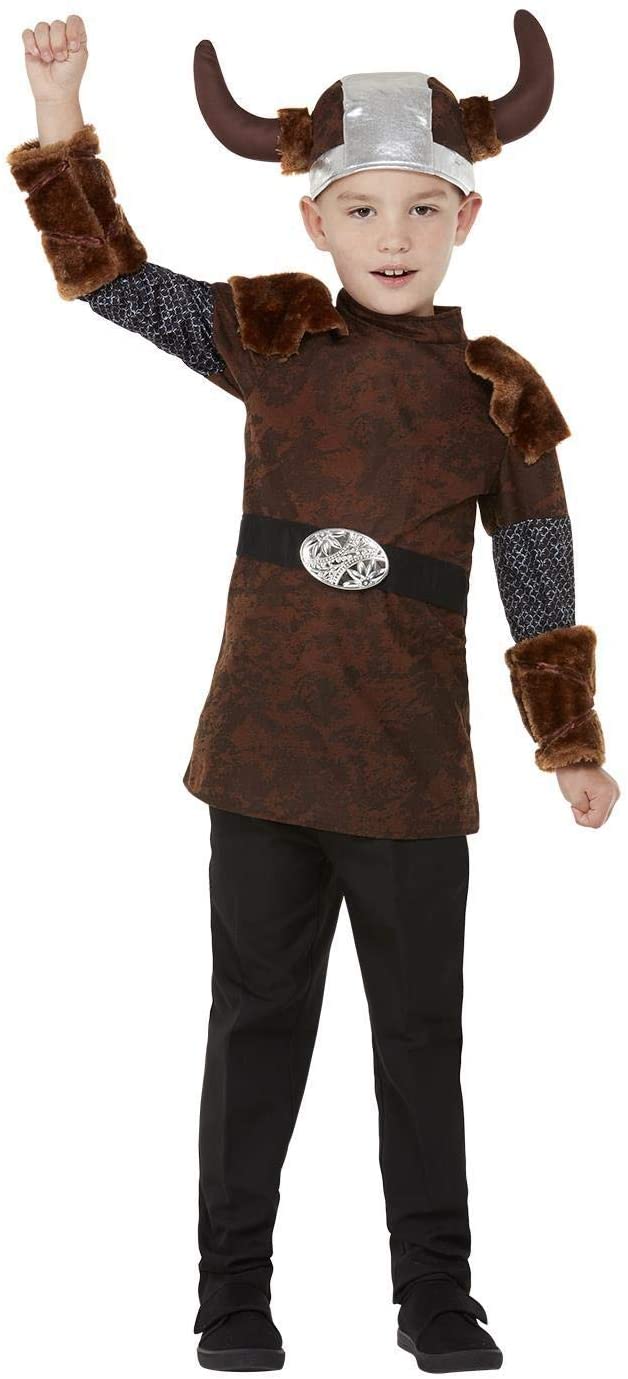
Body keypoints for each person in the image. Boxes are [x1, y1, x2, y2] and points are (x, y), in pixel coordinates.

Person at [8, 10, 620, 1374]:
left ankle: (438, 1298)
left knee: (419, 1042)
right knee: (257, 1028)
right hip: (263, 767)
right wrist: (58, 110)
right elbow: (113, 281)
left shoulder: (499, 394)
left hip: (411, 779)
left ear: (467, 216)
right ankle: (231, 1296)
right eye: (361, 209)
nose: (392, 236)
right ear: (316, 222)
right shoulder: (272, 336)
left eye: (421, 208)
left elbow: (539, 570)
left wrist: (568, 745)